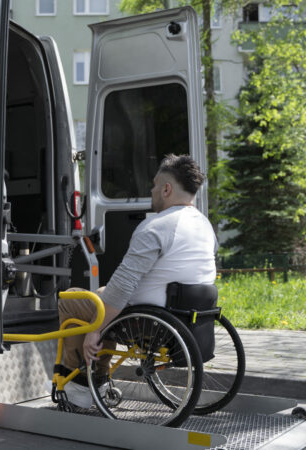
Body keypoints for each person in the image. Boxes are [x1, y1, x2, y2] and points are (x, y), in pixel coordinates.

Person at [56, 154, 217, 408]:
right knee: (101, 293)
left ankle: (80, 385)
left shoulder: (156, 226)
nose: (151, 190)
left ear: (167, 189)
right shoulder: (205, 226)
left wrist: (95, 331)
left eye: (154, 185)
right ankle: (99, 374)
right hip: (186, 317)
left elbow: (123, 286)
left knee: (72, 299)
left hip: (147, 322)